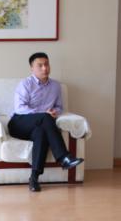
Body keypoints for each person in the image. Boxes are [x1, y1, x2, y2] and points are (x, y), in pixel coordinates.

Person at [8, 52, 84, 192]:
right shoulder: (25, 84)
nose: (45, 68)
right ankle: (63, 157)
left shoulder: (56, 86)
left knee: (41, 133)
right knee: (45, 117)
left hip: (41, 124)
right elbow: (20, 108)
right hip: (19, 123)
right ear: (32, 68)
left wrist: (55, 112)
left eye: (47, 64)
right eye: (40, 65)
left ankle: (34, 178)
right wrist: (44, 113)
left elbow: (59, 107)